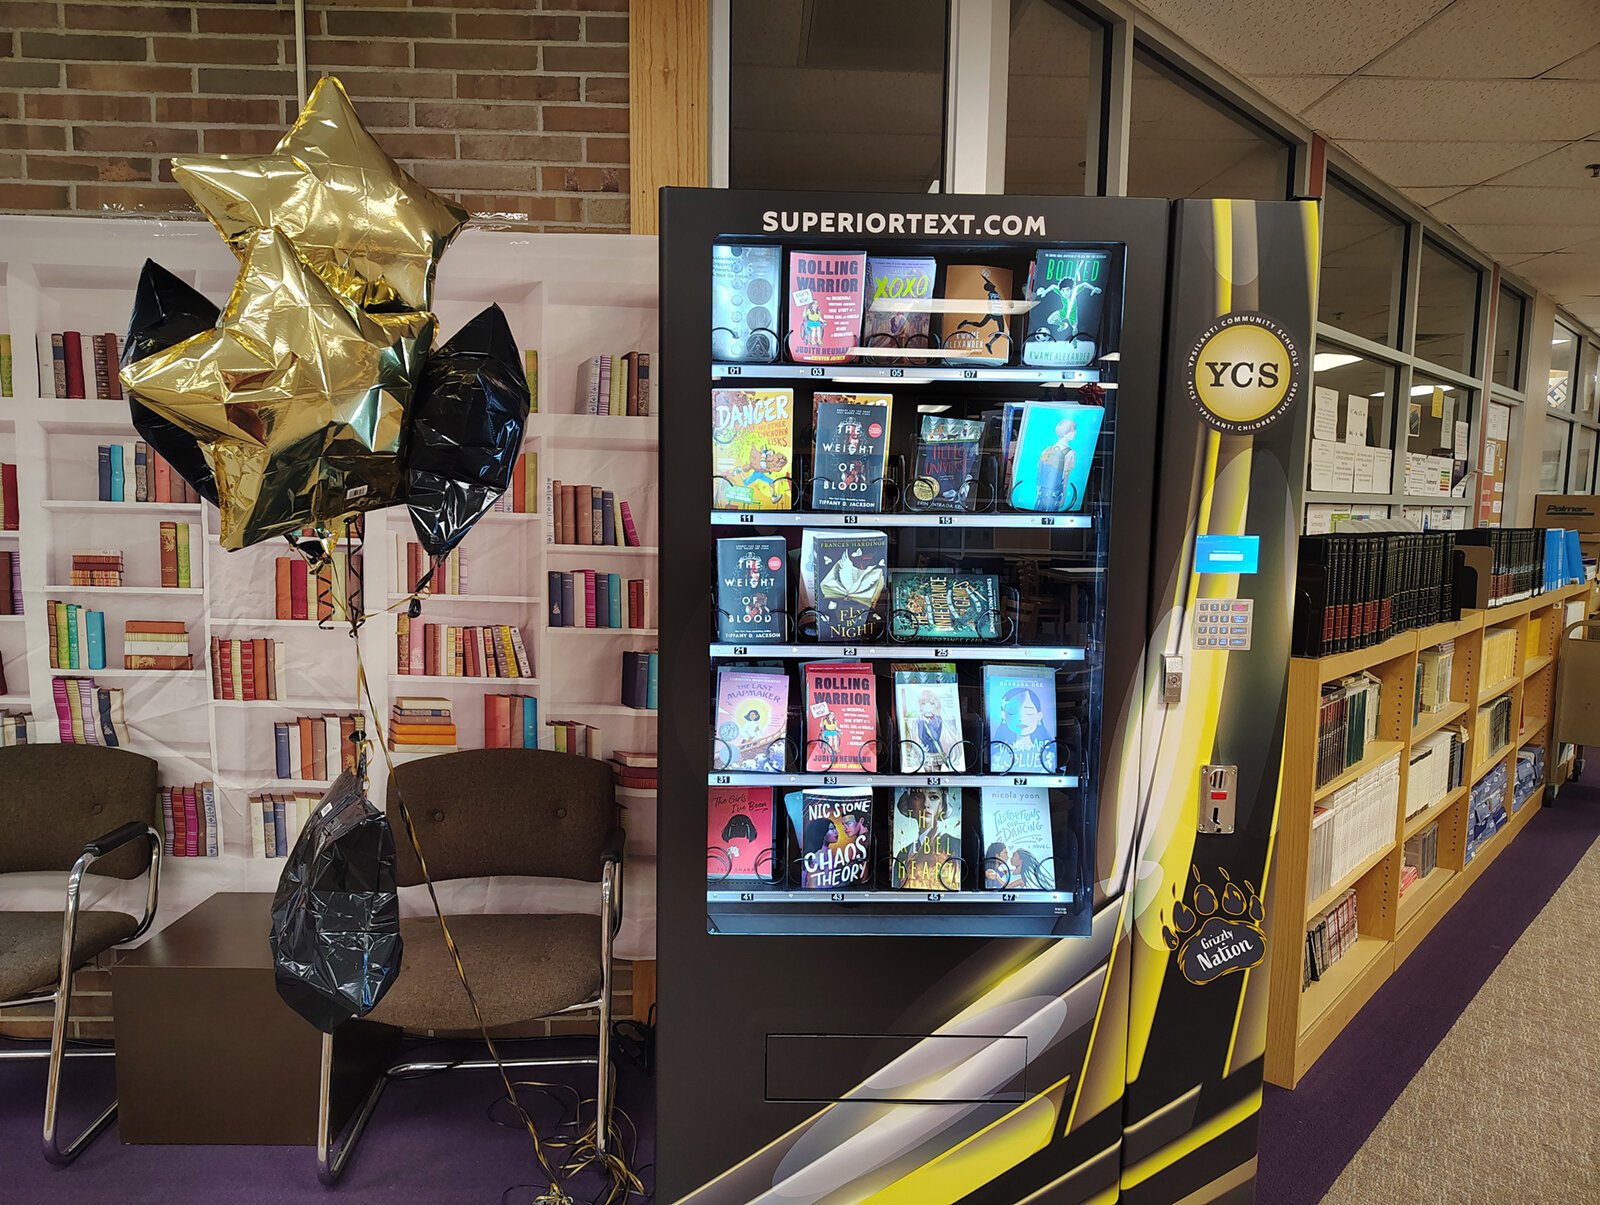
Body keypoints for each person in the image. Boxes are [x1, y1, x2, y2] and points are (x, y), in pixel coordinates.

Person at [1034, 417, 1077, 512]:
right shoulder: (1070, 453)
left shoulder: (1047, 449)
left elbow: (1039, 472)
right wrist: (1063, 496)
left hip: (1042, 493)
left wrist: (1038, 492)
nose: (1075, 432)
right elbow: (1065, 477)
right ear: (1066, 433)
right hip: (1055, 494)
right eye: (1073, 430)